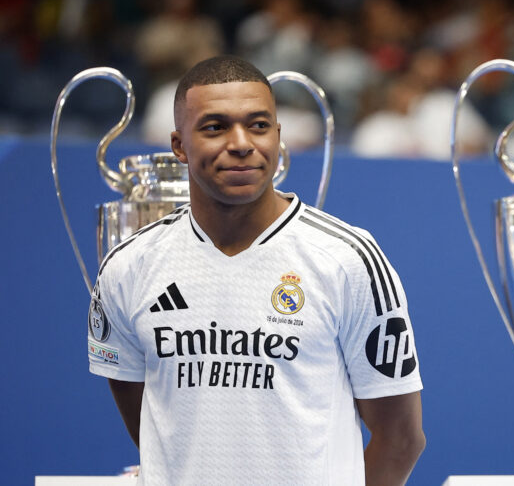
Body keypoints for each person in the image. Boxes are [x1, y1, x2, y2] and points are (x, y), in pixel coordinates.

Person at [87, 55, 425, 485]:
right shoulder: (128, 267)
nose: (242, 143)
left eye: (259, 125)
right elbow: (159, 435)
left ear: (278, 137)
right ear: (179, 145)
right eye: (215, 127)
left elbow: (401, 438)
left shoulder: (347, 259)